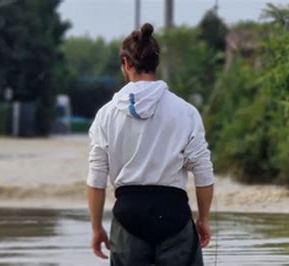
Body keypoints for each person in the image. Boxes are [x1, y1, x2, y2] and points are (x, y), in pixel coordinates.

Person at [86, 23, 214, 266]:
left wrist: (96, 228)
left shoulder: (106, 114)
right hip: (174, 216)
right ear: (156, 63)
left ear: (125, 64)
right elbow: (203, 171)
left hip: (128, 218)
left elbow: (96, 178)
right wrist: (204, 219)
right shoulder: (185, 112)